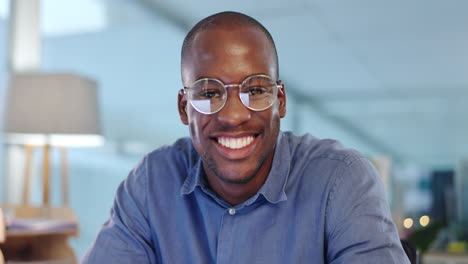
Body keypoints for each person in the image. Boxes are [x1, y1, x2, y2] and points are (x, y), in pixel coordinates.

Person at [82, 11, 410, 264]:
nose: (234, 116)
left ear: (280, 101)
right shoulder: (150, 182)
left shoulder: (341, 179)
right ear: (184, 109)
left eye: (255, 90)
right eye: (209, 93)